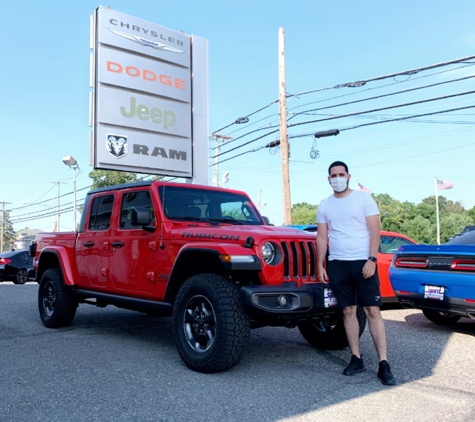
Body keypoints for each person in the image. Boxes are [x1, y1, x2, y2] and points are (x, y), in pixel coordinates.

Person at [316, 160, 395, 386]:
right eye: (333, 175)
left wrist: (372, 259)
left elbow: (374, 230)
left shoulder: (363, 198)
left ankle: (383, 364)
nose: (337, 178)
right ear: (328, 179)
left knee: (372, 310)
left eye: (341, 174)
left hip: (363, 262)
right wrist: (320, 265)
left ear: (348, 176)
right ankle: (356, 358)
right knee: (348, 311)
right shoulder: (324, 205)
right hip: (338, 264)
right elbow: (322, 237)